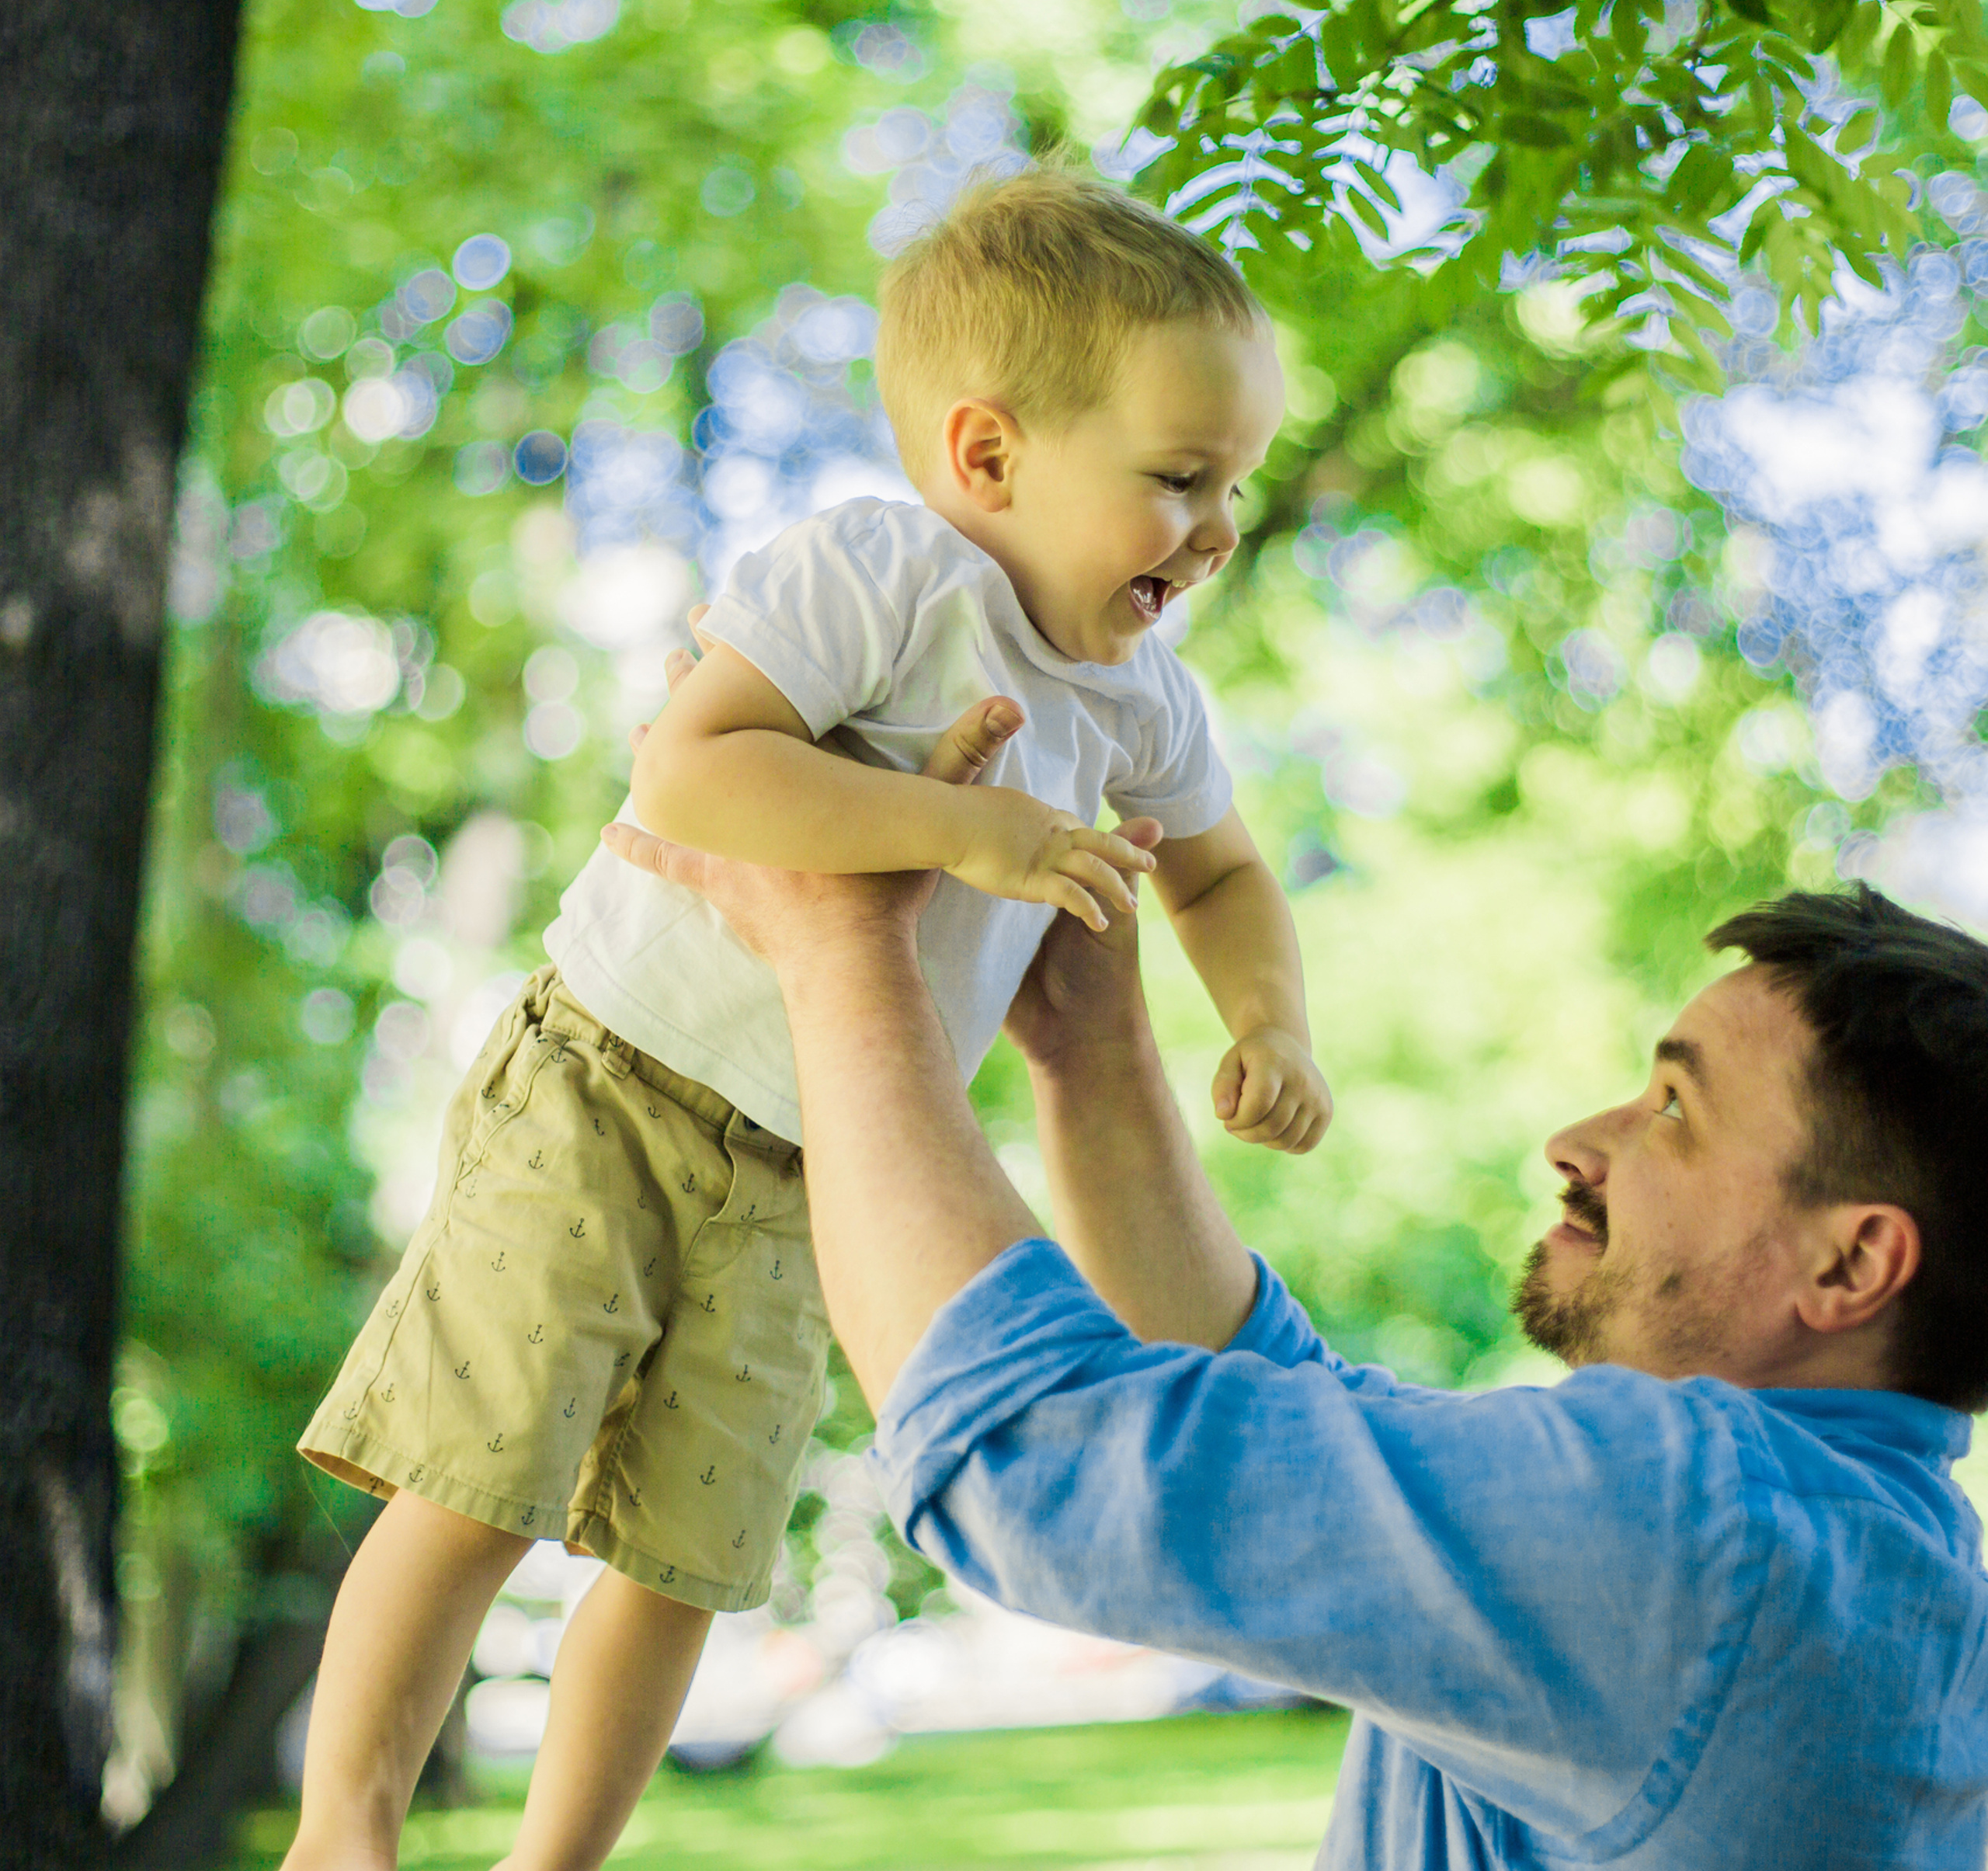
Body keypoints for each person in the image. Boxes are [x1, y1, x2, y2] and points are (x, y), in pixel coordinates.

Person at [282, 167, 1330, 1871]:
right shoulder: (885, 572)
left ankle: (552, 1859)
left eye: (1233, 484)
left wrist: (1269, 1021)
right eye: (1176, 479)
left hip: (813, 1171)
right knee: (477, 1467)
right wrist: (955, 827)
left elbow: (1218, 880)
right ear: (987, 456)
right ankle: (346, 1830)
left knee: (688, 1549)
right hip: (617, 1076)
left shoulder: (1144, 701)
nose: (1214, 528)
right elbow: (692, 764)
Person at [603, 763, 1988, 1866]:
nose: (1578, 1139)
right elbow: (1281, 1410)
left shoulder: (1706, 1537)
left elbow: (1033, 1454)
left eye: (1675, 1110)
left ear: (1852, 1268)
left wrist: (838, 945)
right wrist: (1088, 1044)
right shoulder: (1880, 1559)